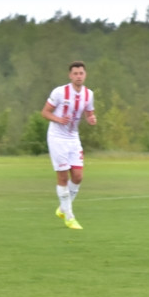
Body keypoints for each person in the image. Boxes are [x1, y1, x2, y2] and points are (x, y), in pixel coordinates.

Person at [41, 61, 97, 230]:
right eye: (75, 73)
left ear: (85, 75)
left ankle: (63, 208)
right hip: (57, 137)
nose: (78, 76)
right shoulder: (60, 92)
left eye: (81, 73)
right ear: (70, 75)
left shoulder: (89, 94)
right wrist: (58, 119)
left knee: (78, 176)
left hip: (73, 138)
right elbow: (45, 112)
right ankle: (70, 217)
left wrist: (91, 119)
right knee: (63, 177)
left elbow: (89, 113)